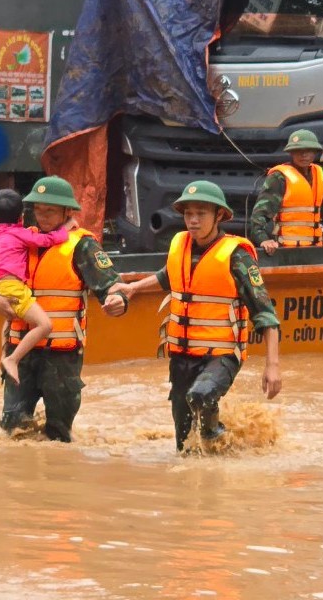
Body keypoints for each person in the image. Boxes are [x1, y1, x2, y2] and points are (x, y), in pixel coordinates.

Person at [113, 180, 282, 452]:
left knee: (201, 395)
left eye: (201, 213)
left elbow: (266, 315)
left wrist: (272, 366)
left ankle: (220, 438)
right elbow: (168, 276)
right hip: (183, 354)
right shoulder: (179, 245)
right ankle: (204, 471)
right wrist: (133, 287)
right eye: (188, 214)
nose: (192, 220)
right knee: (184, 444)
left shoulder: (237, 255)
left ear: (219, 215)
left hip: (222, 355)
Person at [0, 176, 128, 443]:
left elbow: (111, 285)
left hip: (61, 357)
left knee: (58, 433)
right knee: (12, 425)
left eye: (50, 211)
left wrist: (119, 301)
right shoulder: (21, 239)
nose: (43, 217)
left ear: (66, 212)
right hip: (20, 349)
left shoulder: (83, 246)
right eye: (38, 210)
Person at [0, 188, 73, 385]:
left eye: (49, 211)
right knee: (45, 325)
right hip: (14, 288)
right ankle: (12, 359)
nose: (43, 216)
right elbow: (47, 240)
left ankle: (4, 355)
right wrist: (67, 229)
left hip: (4, 286)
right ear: (23, 216)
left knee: (10, 317)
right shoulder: (20, 234)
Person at [248, 129, 323, 254]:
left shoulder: (318, 175)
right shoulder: (279, 177)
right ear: (291, 153)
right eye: (298, 151)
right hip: (286, 249)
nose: (303, 155)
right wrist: (263, 240)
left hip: (316, 249)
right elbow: (260, 215)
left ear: (315, 152)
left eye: (308, 150)